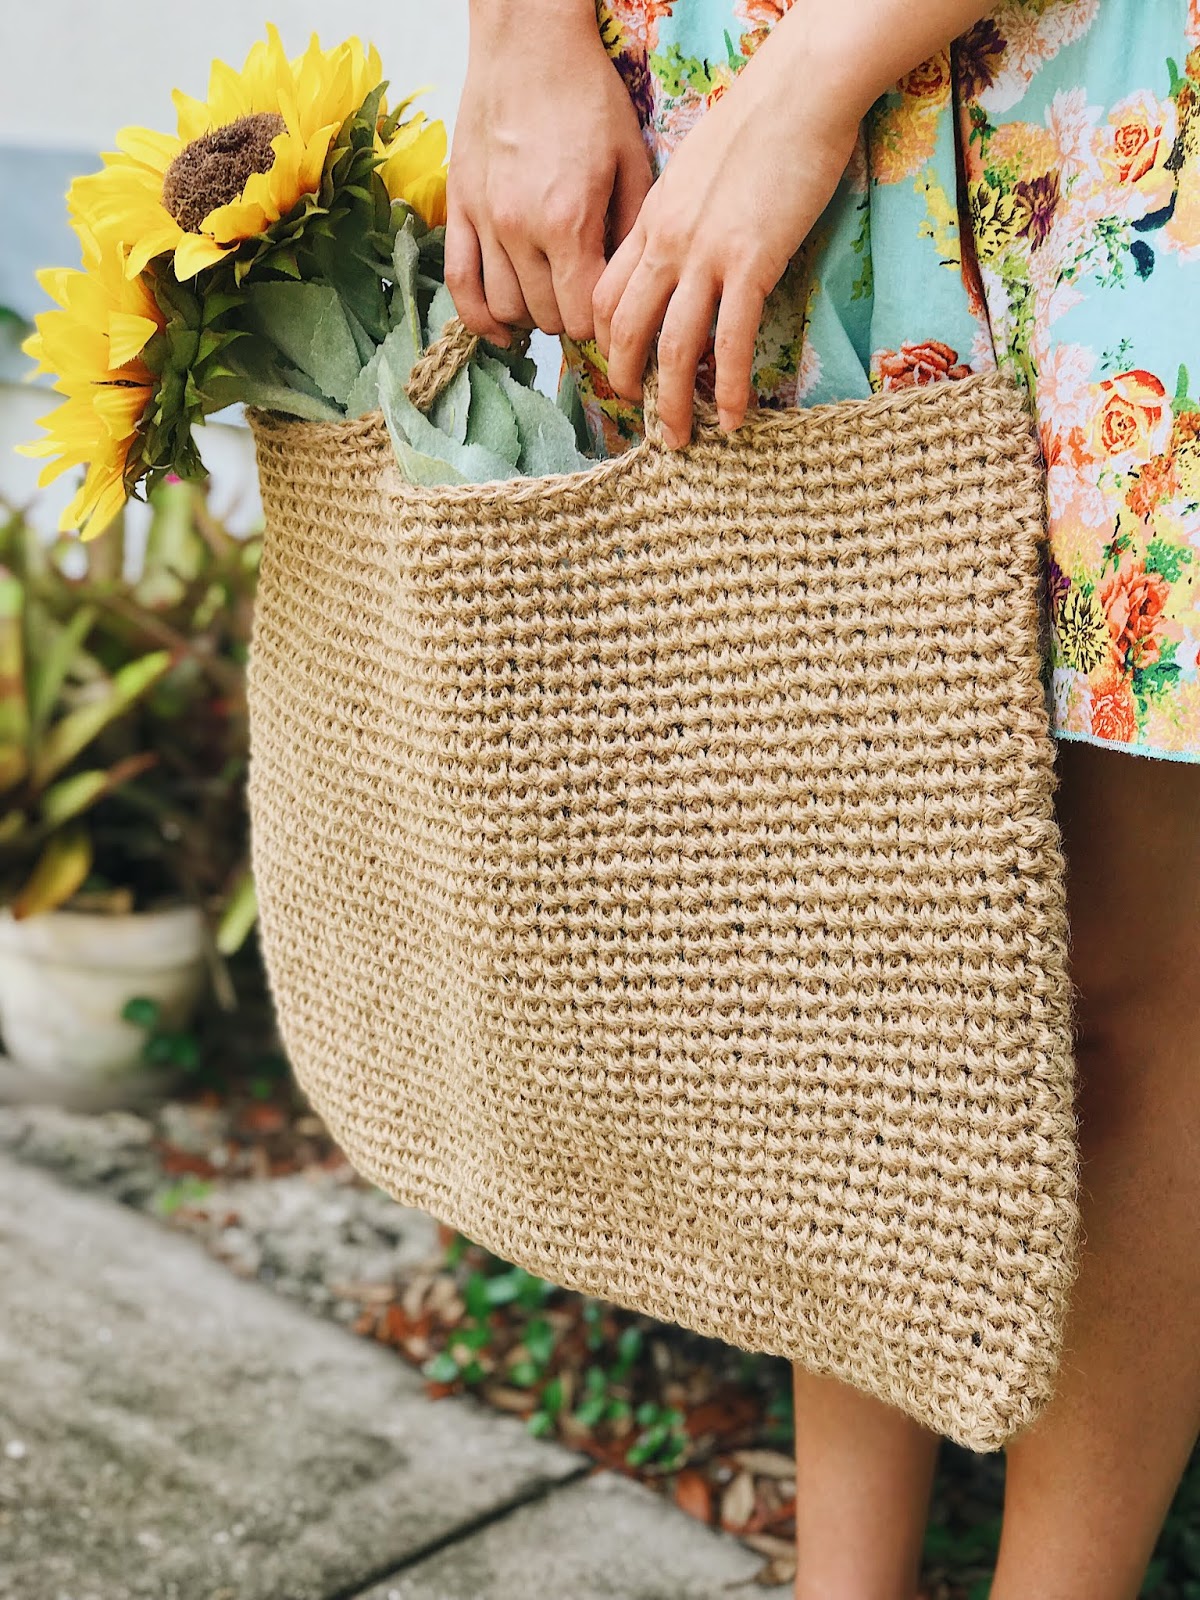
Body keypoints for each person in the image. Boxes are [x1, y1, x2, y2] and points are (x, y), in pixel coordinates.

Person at [447, 3, 1200, 1596]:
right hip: (725, 83)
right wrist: (516, 34)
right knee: (841, 904)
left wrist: (817, 76)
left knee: (1134, 965)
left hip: (1100, 79)